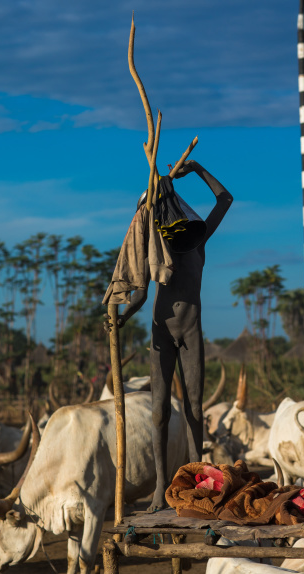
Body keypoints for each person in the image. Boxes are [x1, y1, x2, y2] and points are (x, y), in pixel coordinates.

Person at [109, 160, 232, 511]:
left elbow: (225, 200)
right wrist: (122, 318)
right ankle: (162, 484)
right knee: (159, 411)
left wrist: (197, 169)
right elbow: (145, 294)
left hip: (191, 330)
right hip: (161, 331)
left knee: (195, 406)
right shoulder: (157, 247)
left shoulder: (198, 240)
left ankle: (200, 480)